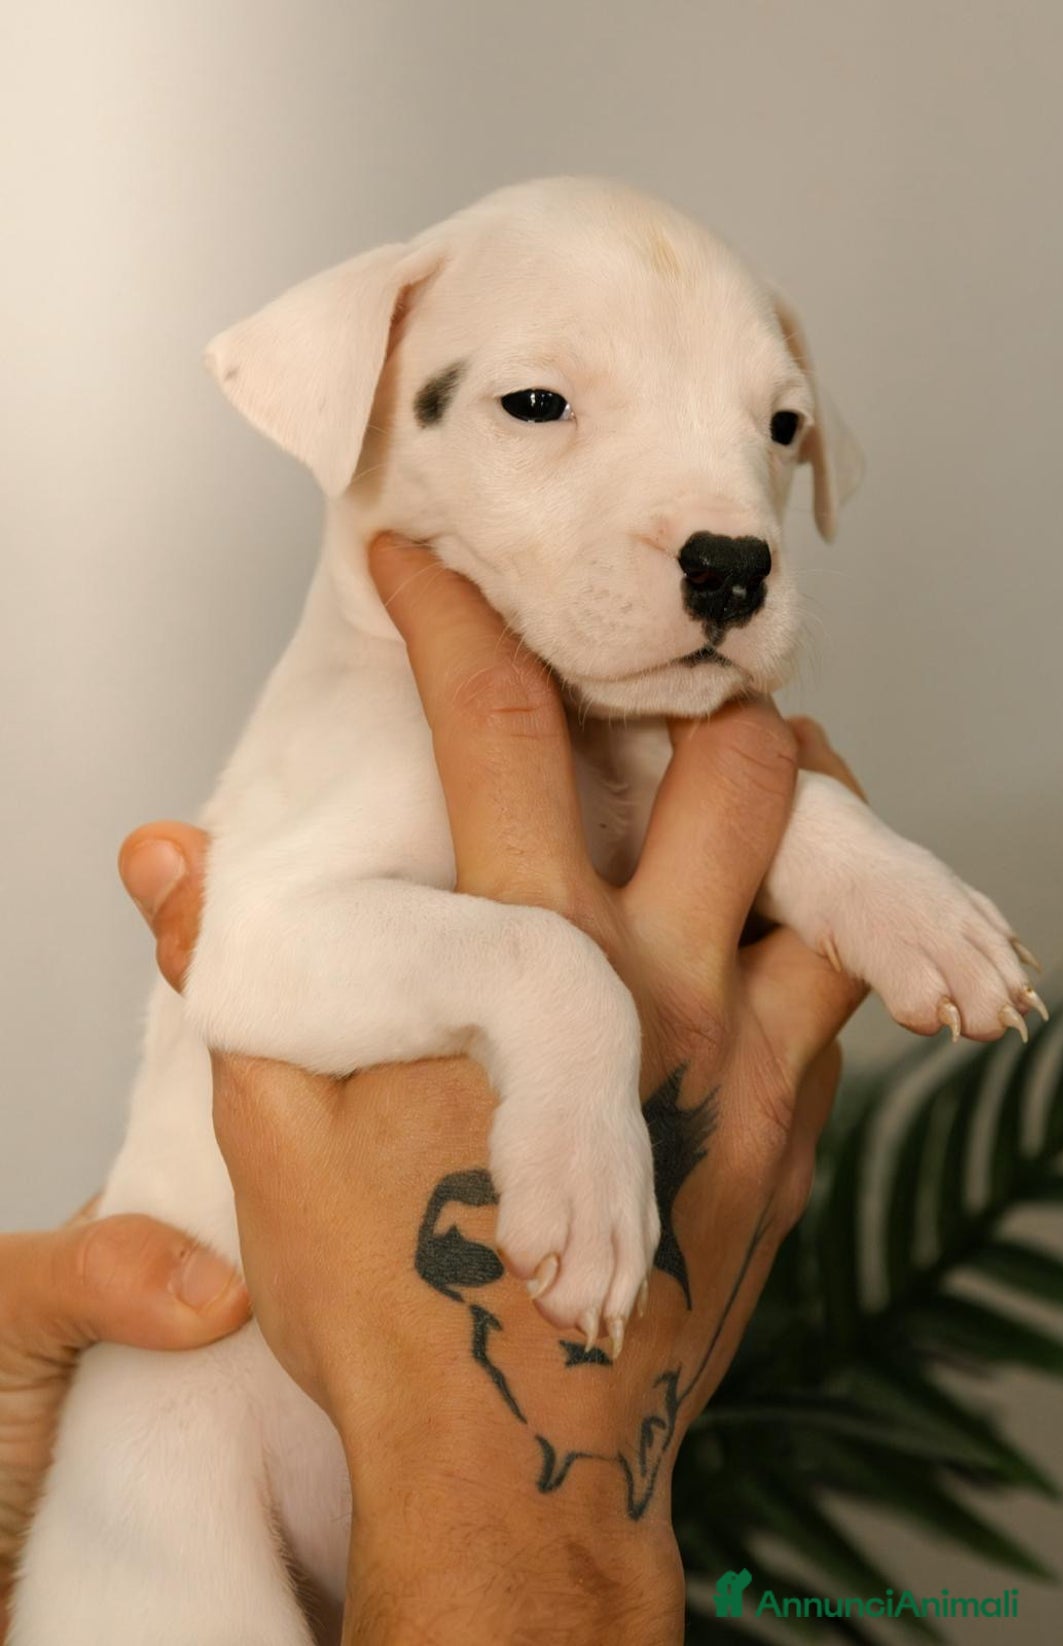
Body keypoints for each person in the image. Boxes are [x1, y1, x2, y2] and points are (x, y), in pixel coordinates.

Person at [0, 534, 866, 1643]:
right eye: (539, 404)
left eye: (781, 433)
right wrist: (517, 1535)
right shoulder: (361, 719)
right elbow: (252, 963)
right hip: (198, 1462)